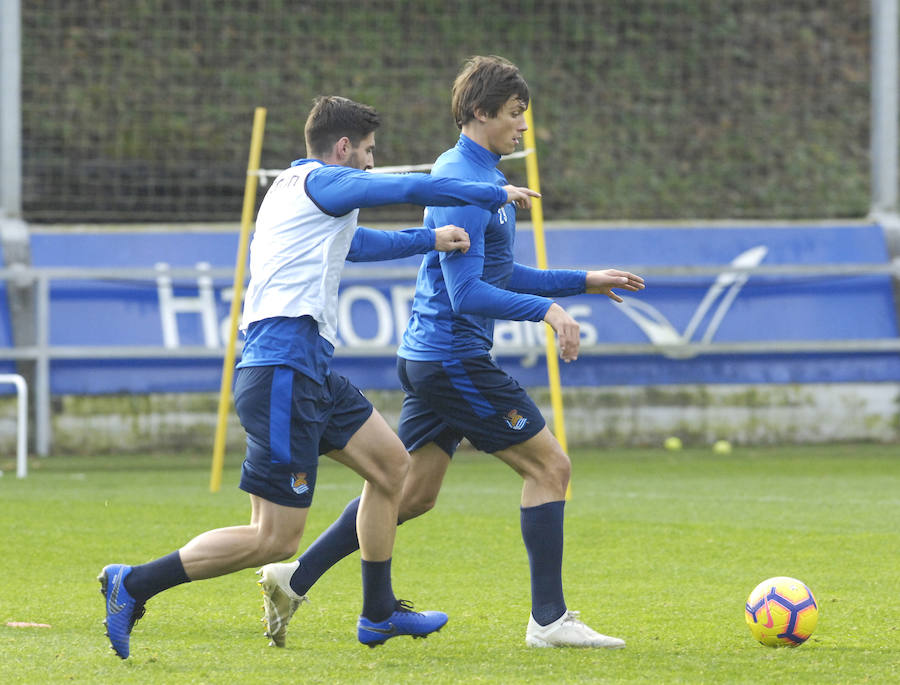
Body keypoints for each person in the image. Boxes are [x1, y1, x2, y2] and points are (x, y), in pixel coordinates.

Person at [98, 94, 541, 658]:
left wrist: (427, 239)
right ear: (343, 147)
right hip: (281, 372)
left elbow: (356, 244)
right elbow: (408, 189)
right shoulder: (323, 181)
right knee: (273, 539)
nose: (372, 163)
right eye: (368, 151)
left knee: (392, 467)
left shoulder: (293, 190)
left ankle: (378, 613)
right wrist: (490, 192)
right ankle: (134, 583)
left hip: (306, 369)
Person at [256, 57, 645, 649]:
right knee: (550, 468)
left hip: (434, 356)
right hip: (452, 357)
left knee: (410, 494)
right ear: (480, 113)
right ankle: (549, 621)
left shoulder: (481, 175)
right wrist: (548, 312)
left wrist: (582, 282)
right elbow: (467, 294)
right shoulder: (462, 178)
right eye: (514, 113)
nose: (523, 126)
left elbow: (500, 272)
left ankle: (296, 578)